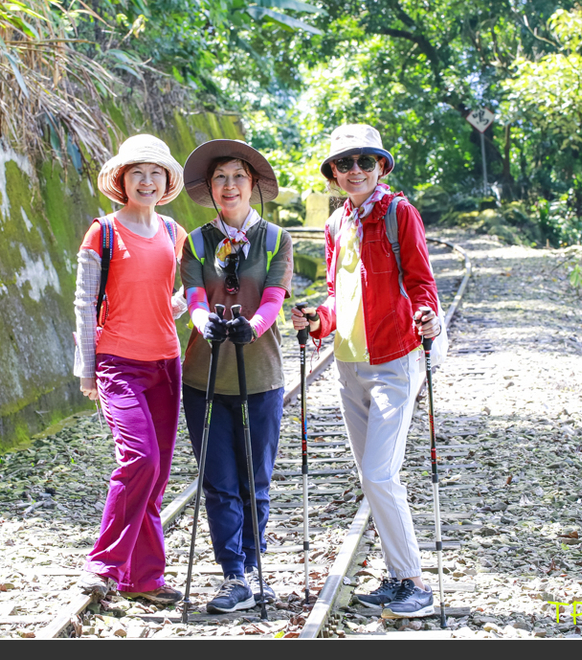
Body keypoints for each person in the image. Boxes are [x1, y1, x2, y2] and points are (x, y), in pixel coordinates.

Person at [291, 124, 442, 619]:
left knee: (379, 472)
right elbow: (338, 295)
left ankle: (415, 583)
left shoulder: (400, 213)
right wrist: (319, 320)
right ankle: (399, 577)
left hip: (394, 361)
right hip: (347, 364)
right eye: (345, 163)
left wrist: (428, 315)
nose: (355, 170)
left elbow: (421, 280)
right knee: (369, 475)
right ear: (333, 174)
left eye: (365, 161)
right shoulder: (337, 223)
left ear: (381, 167)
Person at [72, 134, 189, 605]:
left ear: (166, 181)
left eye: (155, 172)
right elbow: (83, 305)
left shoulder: (174, 232)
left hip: (166, 364)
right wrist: (86, 370)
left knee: (156, 475)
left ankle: (142, 577)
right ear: (121, 179)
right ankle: (103, 564)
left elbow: (178, 297)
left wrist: (183, 304)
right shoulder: (102, 232)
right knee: (139, 459)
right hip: (118, 364)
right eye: (137, 172)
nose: (146, 180)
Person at [179, 140, 294, 613]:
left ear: (252, 186)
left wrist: (254, 326)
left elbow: (273, 297)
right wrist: (203, 321)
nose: (230, 185)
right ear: (211, 188)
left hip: (261, 375)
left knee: (255, 480)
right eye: (221, 177)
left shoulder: (275, 239)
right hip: (204, 377)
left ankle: (254, 565)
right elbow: (193, 294)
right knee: (218, 482)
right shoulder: (196, 241)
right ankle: (233, 575)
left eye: (238, 177)